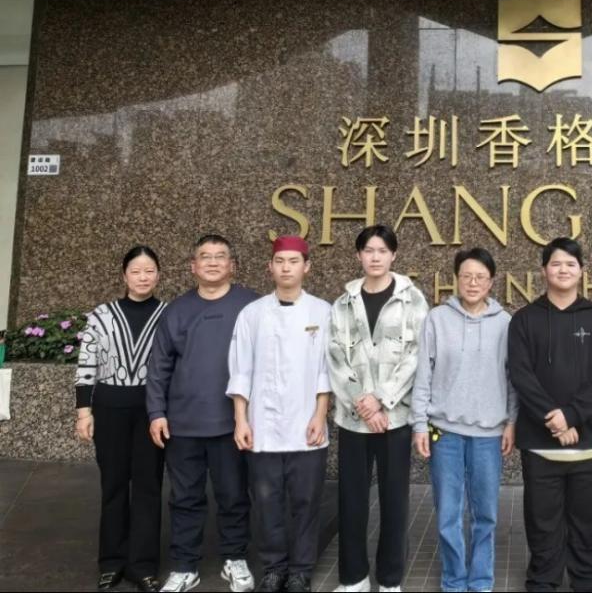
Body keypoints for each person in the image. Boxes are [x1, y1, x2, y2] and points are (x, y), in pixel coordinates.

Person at [146, 234, 260, 593]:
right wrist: (156, 412)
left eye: (220, 256)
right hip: (183, 425)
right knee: (184, 498)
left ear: (233, 265)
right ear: (193, 266)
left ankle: (235, 558)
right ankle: (184, 566)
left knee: (234, 496)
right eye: (205, 257)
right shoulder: (176, 310)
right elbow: (159, 366)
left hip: (233, 424)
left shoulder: (252, 306)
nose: (212, 262)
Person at [508, 237, 592, 593]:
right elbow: (521, 374)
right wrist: (554, 419)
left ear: (581, 271)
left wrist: (570, 416)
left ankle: (587, 583)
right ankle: (543, 582)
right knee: (543, 525)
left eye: (571, 264)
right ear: (544, 271)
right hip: (541, 445)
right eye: (556, 263)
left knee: (589, 526)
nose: (563, 270)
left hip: (591, 444)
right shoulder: (524, 320)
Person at [227, 236, 332, 593]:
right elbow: (240, 369)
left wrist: (320, 415)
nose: (286, 268)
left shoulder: (322, 312)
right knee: (266, 502)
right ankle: (273, 567)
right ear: (270, 267)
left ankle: (301, 570)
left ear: (307, 267)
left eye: (294, 261)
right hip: (263, 426)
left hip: (307, 424)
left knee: (306, 502)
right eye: (280, 261)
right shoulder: (252, 314)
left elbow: (326, 370)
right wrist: (241, 419)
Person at [327, 225, 429, 593]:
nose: (375, 257)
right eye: (368, 250)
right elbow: (336, 358)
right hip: (354, 419)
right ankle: (354, 578)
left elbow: (416, 356)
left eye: (382, 251)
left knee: (394, 500)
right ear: (358, 255)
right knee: (352, 500)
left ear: (393, 255)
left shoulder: (412, 300)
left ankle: (389, 580)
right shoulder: (343, 303)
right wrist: (366, 406)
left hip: (395, 419)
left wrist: (382, 399)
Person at [411, 247, 517, 593]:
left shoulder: (505, 323)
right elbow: (423, 375)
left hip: (489, 433)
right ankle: (454, 580)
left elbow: (513, 379)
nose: (473, 283)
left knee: (486, 514)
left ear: (491, 281)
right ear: (456, 279)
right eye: (466, 276)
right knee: (448, 514)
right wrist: (419, 424)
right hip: (445, 432)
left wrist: (511, 422)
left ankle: (481, 580)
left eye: (480, 277)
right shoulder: (437, 319)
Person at [75, 245, 168, 592]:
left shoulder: (168, 314)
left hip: (152, 411)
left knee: (148, 486)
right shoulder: (101, 315)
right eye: (135, 271)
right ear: (124, 275)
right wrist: (84, 412)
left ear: (158, 275)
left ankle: (143, 565)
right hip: (109, 409)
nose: (143, 277)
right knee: (113, 485)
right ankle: (111, 561)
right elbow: (87, 364)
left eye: (149, 271)